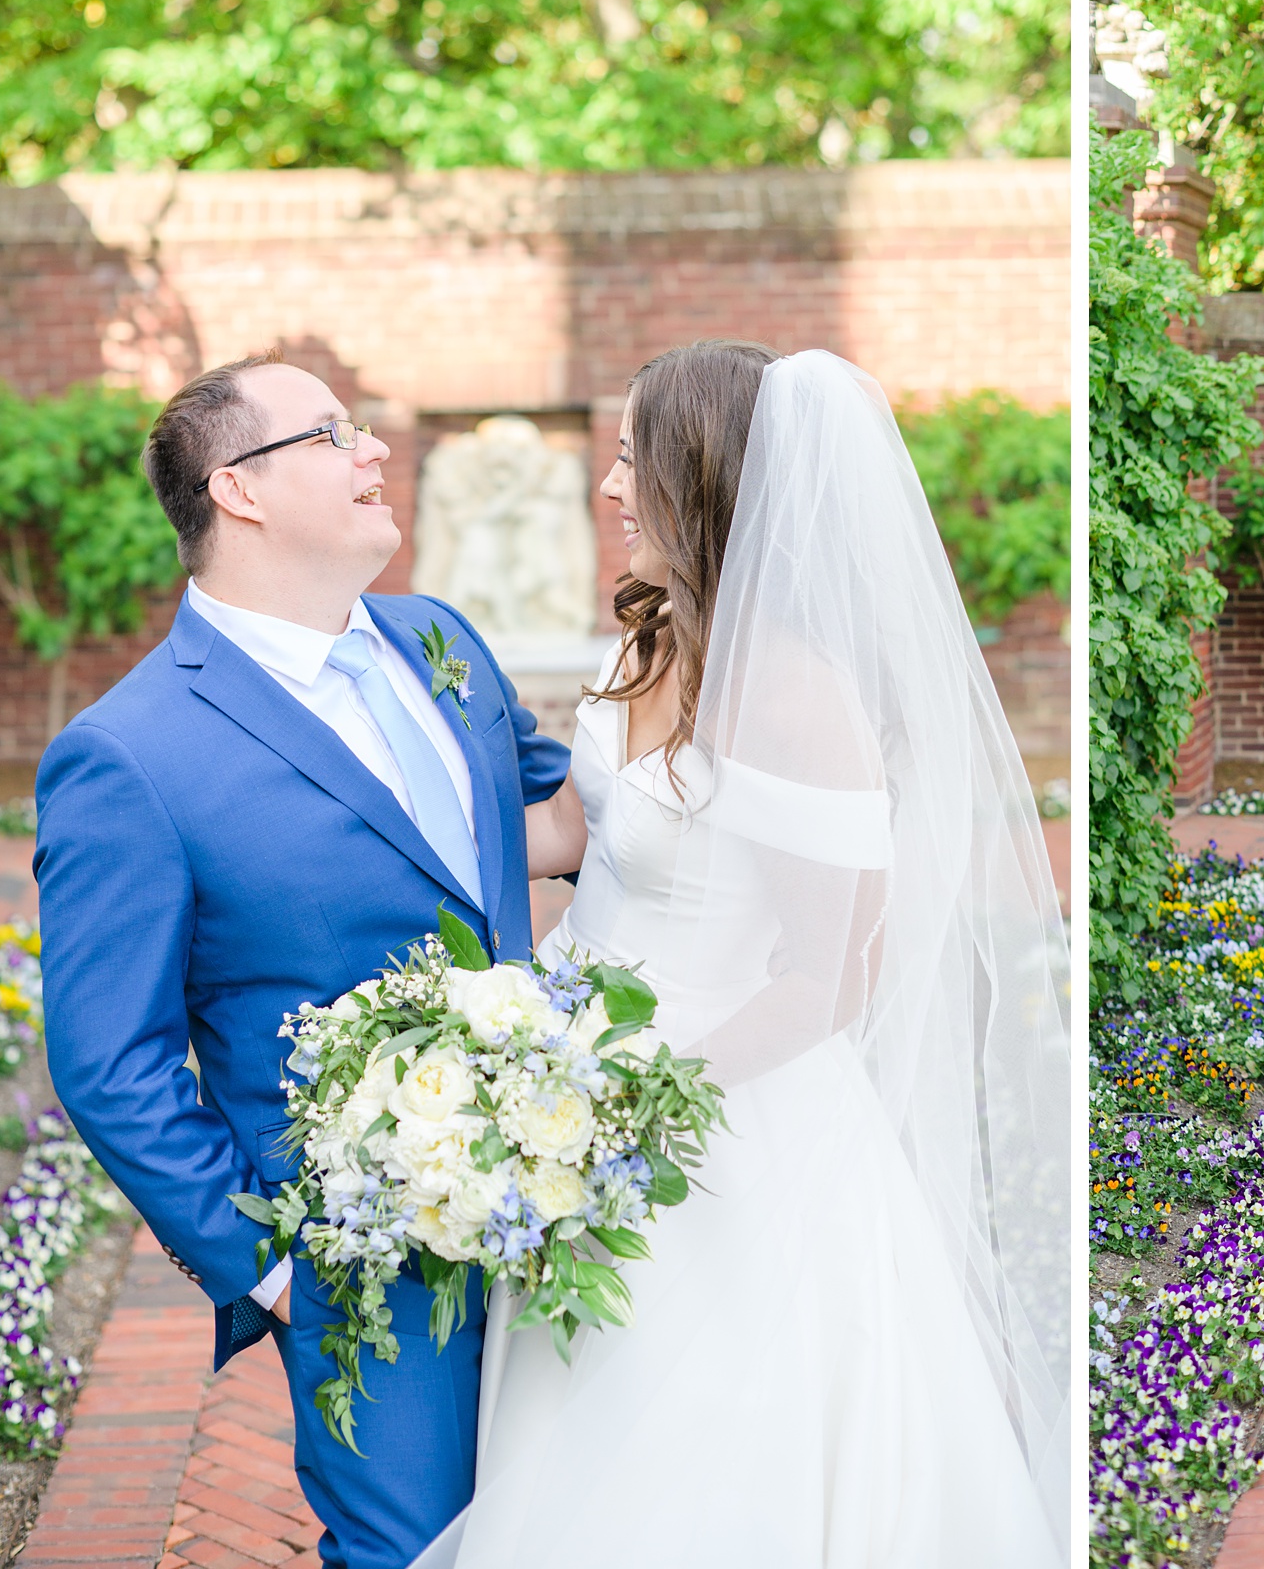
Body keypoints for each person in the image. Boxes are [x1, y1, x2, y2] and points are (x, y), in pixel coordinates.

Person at [411, 341, 1069, 1566]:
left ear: (701, 481)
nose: (605, 488)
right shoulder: (642, 642)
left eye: (627, 460)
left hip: (722, 1125)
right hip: (571, 1100)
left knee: (697, 1450)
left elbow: (834, 974)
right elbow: (570, 828)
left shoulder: (793, 695)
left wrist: (630, 1103)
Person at [36, 352, 571, 1567]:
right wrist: (268, 1269)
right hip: (359, 1259)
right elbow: (108, 1060)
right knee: (416, 1547)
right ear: (240, 491)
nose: (377, 451)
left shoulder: (442, 642)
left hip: (556, 1209)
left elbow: (559, 825)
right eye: (335, 434)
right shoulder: (127, 755)